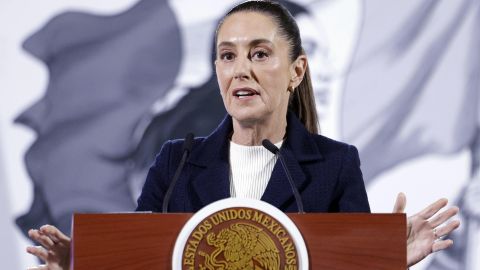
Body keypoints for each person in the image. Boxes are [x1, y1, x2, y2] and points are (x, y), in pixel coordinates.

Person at [26, 1, 460, 269]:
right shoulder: (175, 162)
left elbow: (349, 266)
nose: (241, 70)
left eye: (260, 54)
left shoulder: (336, 163)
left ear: (296, 71)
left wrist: (386, 261)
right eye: (227, 56)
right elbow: (143, 258)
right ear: (216, 71)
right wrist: (80, 264)